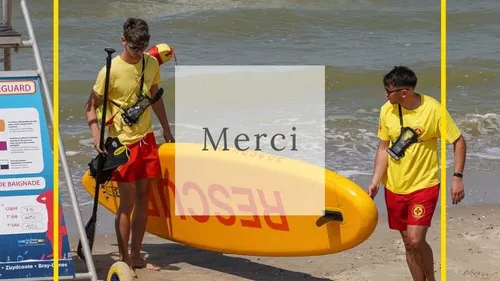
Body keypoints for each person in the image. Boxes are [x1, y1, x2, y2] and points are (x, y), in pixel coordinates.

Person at [84, 17, 175, 278]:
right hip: (122, 145)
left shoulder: (151, 63)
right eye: (134, 47)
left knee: (144, 198)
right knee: (128, 202)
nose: (138, 53)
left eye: (143, 47)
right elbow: (90, 106)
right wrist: (96, 133)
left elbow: (154, 97)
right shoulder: (110, 71)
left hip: (146, 139)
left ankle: (136, 256)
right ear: (123, 41)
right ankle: (124, 260)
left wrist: (166, 129)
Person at [366, 66, 466, 281]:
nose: (385, 94)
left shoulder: (434, 110)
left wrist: (457, 177)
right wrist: (375, 181)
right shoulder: (387, 110)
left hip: (424, 185)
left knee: (416, 239)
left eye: (388, 90)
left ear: (404, 92)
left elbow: (458, 141)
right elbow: (384, 147)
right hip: (394, 186)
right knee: (407, 243)